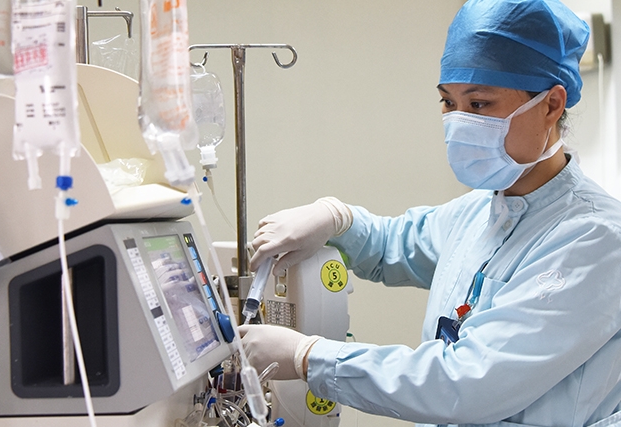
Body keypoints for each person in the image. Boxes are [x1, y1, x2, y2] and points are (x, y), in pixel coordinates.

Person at [239, 1, 621, 426]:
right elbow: (395, 244)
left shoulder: (594, 239)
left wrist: (308, 356)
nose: (458, 122)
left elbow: (468, 383)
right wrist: (337, 219)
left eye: (479, 104)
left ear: (551, 105)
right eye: (447, 102)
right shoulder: (484, 209)